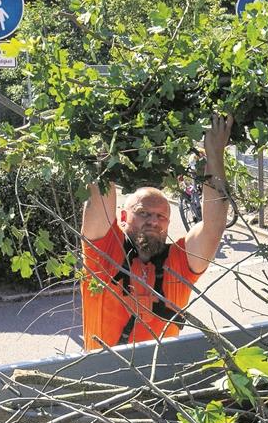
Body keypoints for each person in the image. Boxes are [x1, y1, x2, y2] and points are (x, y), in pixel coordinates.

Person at [80, 114, 233, 350]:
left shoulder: (180, 263)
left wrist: (214, 154)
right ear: (123, 217)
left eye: (161, 216)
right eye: (143, 213)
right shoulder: (103, 252)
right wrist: (106, 136)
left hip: (164, 377)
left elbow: (214, 226)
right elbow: (99, 194)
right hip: (103, 377)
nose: (153, 221)